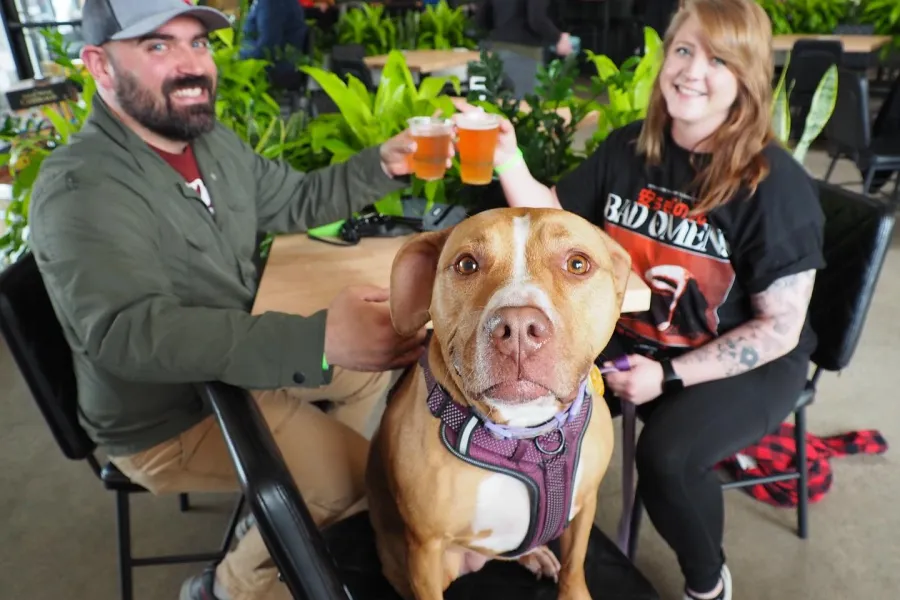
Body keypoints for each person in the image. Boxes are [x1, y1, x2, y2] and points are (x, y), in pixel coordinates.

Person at [29, 1, 438, 599]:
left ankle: (289, 507)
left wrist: (383, 164)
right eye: (158, 47)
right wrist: (315, 338)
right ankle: (229, 586)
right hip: (169, 416)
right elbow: (130, 334)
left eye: (199, 43)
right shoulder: (80, 188)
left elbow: (296, 200)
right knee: (367, 481)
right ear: (99, 65)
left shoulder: (209, 142)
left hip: (236, 359)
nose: (193, 64)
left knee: (375, 373)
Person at [455, 0, 825, 598]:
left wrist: (669, 377)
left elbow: (778, 328)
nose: (692, 71)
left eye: (718, 59)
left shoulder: (774, 185)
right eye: (683, 50)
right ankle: (515, 530)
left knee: (668, 459)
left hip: (742, 361)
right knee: (506, 383)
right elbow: (557, 216)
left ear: (747, 78)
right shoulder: (632, 148)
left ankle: (708, 583)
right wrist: (506, 156)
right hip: (635, 342)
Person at [473, 0, 575, 98]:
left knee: (496, 109)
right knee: (525, 108)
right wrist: (559, 38)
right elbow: (537, 19)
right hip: (524, 55)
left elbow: (482, 17)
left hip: (495, 52)